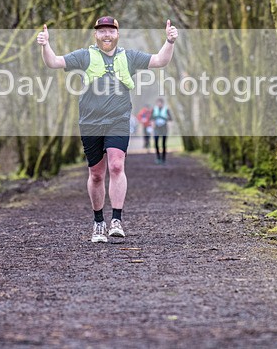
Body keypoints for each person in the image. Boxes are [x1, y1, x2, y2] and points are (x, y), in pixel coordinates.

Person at [37, 16, 179, 243]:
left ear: (117, 34)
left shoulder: (129, 57)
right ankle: (98, 222)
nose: (106, 35)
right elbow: (53, 62)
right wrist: (45, 45)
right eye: (102, 31)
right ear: (96, 34)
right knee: (96, 174)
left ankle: (116, 220)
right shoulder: (84, 55)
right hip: (90, 122)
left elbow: (160, 60)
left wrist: (169, 41)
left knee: (116, 165)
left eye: (110, 31)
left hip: (118, 120)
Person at [152, 98, 172, 164]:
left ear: (162, 103)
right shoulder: (154, 109)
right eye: (158, 103)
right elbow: (151, 119)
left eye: (160, 103)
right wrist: (152, 127)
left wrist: (169, 125)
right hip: (157, 129)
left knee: (163, 144)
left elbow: (170, 119)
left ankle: (163, 159)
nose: (159, 104)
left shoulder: (166, 109)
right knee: (156, 143)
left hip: (164, 128)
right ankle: (158, 158)